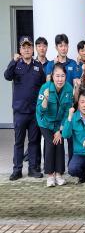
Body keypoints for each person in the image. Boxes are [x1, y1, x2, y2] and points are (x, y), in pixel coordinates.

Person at [4, 36, 46, 180]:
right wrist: (13, 61)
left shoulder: (38, 66)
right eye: (24, 47)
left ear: (32, 49)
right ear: (20, 50)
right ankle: (17, 169)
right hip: (20, 111)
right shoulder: (16, 64)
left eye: (29, 47)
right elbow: (7, 76)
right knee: (19, 141)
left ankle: (33, 169)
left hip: (34, 112)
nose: (27, 49)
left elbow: (42, 86)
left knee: (34, 141)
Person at [36, 63, 74, 187]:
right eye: (57, 76)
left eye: (62, 76)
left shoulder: (68, 88)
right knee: (51, 143)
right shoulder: (45, 88)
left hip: (59, 123)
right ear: (52, 76)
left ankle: (59, 174)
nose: (60, 79)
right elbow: (40, 111)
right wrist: (45, 99)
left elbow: (68, 110)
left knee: (60, 142)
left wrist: (60, 129)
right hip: (45, 122)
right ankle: (50, 175)